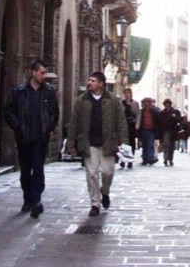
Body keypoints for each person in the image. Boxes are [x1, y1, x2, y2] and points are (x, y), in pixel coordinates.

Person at [66, 70, 129, 216]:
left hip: (108, 141)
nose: (89, 83)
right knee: (92, 173)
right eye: (89, 80)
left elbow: (121, 121)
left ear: (101, 84)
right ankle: (95, 204)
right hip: (89, 142)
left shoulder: (113, 100)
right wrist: (71, 140)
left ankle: (104, 192)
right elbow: (74, 121)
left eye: (93, 80)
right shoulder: (81, 100)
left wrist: (124, 140)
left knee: (108, 172)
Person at [4, 59, 60, 218]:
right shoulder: (19, 91)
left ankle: (36, 201)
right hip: (24, 137)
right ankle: (28, 199)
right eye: (42, 73)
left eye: (45, 73)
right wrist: (17, 126)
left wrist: (49, 125)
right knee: (25, 170)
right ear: (33, 72)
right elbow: (8, 111)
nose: (44, 76)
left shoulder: (49, 91)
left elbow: (55, 112)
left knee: (39, 169)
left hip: (41, 137)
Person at [137, 97, 161, 165]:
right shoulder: (141, 112)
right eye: (147, 102)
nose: (148, 104)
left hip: (151, 130)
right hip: (143, 130)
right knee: (144, 145)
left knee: (150, 144)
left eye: (149, 102)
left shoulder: (154, 112)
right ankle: (145, 159)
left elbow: (158, 122)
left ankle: (150, 158)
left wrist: (157, 131)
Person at [120, 87, 140, 168]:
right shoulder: (121, 103)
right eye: (125, 93)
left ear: (131, 94)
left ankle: (130, 160)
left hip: (132, 124)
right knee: (124, 143)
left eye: (128, 93)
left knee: (131, 143)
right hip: (124, 125)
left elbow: (138, 114)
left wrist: (137, 124)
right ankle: (123, 160)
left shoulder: (135, 103)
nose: (127, 95)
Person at [158, 98, 181, 166]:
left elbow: (179, 120)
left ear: (170, 105)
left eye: (168, 105)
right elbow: (160, 123)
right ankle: (165, 159)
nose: (167, 106)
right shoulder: (162, 113)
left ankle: (170, 159)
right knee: (166, 146)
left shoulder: (175, 112)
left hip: (173, 131)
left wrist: (176, 117)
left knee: (172, 146)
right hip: (165, 131)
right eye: (166, 105)